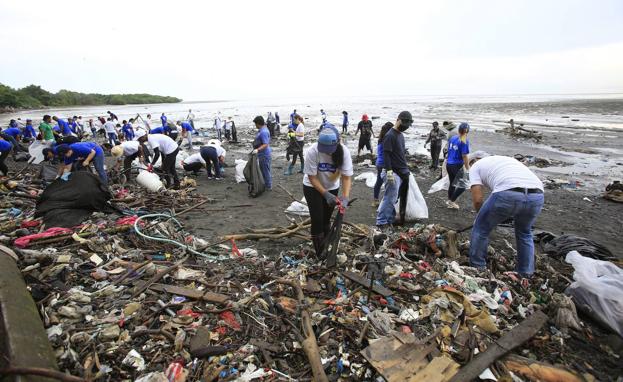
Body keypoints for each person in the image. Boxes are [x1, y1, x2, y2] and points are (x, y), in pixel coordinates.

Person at [468, 154, 544, 285]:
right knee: (525, 233)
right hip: (537, 194)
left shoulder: (474, 167)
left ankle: (478, 268)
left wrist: (481, 217)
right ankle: (525, 273)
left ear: (473, 161)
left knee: (481, 229)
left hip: (507, 192)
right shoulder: (505, 161)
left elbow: (478, 199)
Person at [303, 123, 353, 256]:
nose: (326, 152)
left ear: (337, 143)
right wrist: (324, 194)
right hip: (312, 187)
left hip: (332, 187)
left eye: (329, 148)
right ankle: (320, 251)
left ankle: (327, 244)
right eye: (324, 149)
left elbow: (346, 178)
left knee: (326, 219)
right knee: (317, 219)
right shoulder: (313, 151)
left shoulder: (344, 152)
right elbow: (312, 177)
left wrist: (345, 196)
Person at [376, 111, 413, 228]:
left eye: (408, 124)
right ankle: (381, 222)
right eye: (405, 123)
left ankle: (390, 218)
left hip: (401, 173)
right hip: (392, 173)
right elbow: (386, 155)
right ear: (398, 120)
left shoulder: (400, 135)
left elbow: (400, 154)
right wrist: (389, 172)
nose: (406, 126)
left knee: (394, 198)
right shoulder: (390, 135)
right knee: (389, 198)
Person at [446, 122, 471, 209]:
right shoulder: (464, 140)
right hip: (456, 165)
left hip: (449, 164)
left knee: (452, 183)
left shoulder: (453, 137)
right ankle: (452, 201)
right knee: (464, 185)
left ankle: (449, 201)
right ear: (467, 131)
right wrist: (468, 168)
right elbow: (464, 156)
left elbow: (449, 150)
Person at [373, 122, 393, 206]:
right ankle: (385, 202)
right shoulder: (387, 139)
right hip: (384, 164)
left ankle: (376, 200)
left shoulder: (381, 139)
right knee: (388, 183)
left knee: (379, 181)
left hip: (379, 163)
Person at [252, 116, 272, 190]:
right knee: (264, 169)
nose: (255, 125)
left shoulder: (263, 131)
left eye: (255, 124)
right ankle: (266, 184)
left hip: (264, 154)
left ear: (258, 123)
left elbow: (265, 144)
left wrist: (257, 150)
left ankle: (268, 186)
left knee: (265, 170)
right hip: (262, 154)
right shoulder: (262, 129)